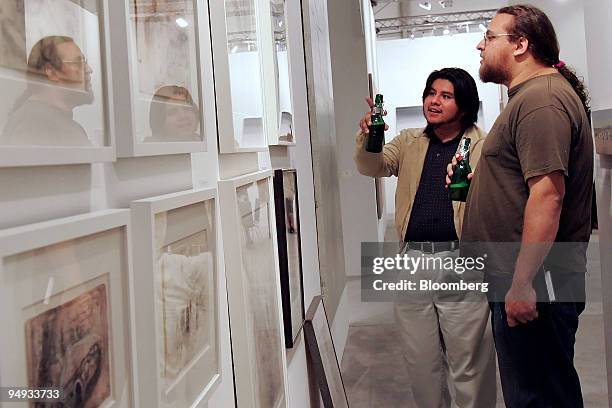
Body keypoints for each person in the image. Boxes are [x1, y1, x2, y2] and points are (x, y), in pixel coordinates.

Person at [449, 5, 593, 407]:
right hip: (526, 277)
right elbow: (529, 181)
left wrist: (522, 283)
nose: (480, 44)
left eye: (489, 36)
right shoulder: (529, 98)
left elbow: (549, 194)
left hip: (537, 281)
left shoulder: (541, 101)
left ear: (521, 44)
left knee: (539, 398)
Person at [355, 68, 496, 407]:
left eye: (445, 96)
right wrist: (368, 137)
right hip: (411, 261)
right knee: (421, 363)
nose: (434, 101)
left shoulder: (483, 145)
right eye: (431, 93)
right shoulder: (408, 141)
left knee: (469, 365)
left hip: (461, 262)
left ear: (463, 106)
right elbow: (371, 166)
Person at [1, 36, 93, 145]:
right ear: (51, 73)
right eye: (78, 62)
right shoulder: (33, 127)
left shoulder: (53, 124)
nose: (89, 69)